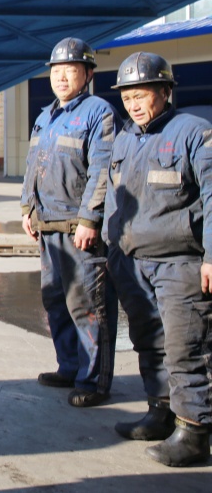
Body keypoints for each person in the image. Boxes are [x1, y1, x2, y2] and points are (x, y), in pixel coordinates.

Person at [102, 51, 211, 467]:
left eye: (141, 95)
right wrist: (112, 248)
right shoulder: (125, 139)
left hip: (180, 262)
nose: (133, 104)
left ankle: (195, 430)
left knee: (187, 347)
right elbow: (114, 198)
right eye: (127, 97)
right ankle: (160, 412)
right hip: (133, 262)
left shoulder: (193, 132)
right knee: (149, 341)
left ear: (165, 91)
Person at [20, 37, 120, 407]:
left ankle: (94, 381)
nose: (61, 77)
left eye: (70, 70)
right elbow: (33, 166)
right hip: (47, 226)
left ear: (88, 74)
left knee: (88, 305)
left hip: (80, 231)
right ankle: (69, 367)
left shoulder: (99, 113)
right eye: (57, 71)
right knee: (56, 301)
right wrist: (27, 209)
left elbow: (102, 171)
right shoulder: (45, 117)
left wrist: (90, 219)